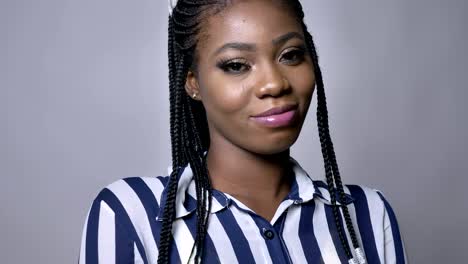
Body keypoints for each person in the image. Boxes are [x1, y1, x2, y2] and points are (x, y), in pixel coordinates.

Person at [79, 0, 407, 263]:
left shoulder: (363, 214)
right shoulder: (132, 215)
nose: (274, 83)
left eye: (291, 55)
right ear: (192, 82)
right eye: (237, 64)